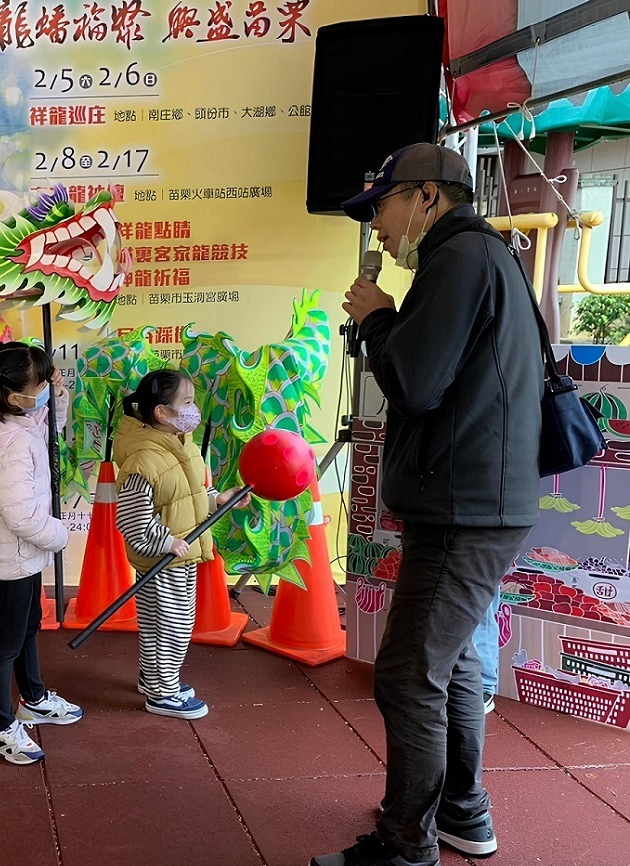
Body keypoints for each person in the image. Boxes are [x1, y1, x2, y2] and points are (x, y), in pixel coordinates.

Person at [310, 143, 542, 866]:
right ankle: (462, 812)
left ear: (426, 198)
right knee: (454, 663)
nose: (376, 228)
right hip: (477, 500)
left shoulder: (458, 260)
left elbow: (414, 383)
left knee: (409, 675)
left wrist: (380, 319)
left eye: (380, 207)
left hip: (461, 507)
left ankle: (406, 845)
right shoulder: (484, 256)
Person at [0, 342, 82, 766]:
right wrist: (60, 535)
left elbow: (45, 431)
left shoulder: (4, 412)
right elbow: (23, 518)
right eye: (42, 384)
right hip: (13, 554)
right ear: (16, 397)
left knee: (28, 624)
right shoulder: (10, 444)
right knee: (6, 643)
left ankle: (32, 698)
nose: (48, 388)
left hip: (20, 553)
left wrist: (57, 395)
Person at [114, 369, 244, 720]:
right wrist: (166, 542)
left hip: (178, 554)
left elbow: (188, 496)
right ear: (162, 412)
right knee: (172, 627)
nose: (193, 409)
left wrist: (218, 500)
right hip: (163, 560)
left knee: (160, 624)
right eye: (186, 402)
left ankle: (153, 680)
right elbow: (132, 521)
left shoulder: (181, 443)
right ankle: (163, 693)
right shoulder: (143, 460)